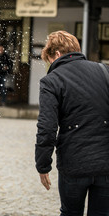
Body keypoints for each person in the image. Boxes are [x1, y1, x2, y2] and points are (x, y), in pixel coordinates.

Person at [35, 30, 109, 215]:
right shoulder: (105, 71)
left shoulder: (51, 81)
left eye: (49, 60)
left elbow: (47, 128)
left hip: (74, 164)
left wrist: (43, 165)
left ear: (57, 54)